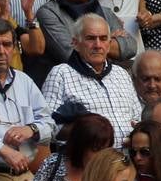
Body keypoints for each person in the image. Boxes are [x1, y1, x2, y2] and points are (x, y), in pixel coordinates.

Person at [42, 15, 144, 148]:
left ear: (109, 44)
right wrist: (87, 131)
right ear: (75, 43)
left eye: (103, 39)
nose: (98, 45)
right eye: (90, 38)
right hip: (86, 161)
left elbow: (137, 118)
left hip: (126, 158)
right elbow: (48, 125)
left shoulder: (122, 74)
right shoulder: (61, 74)